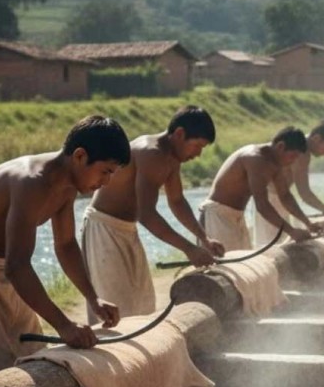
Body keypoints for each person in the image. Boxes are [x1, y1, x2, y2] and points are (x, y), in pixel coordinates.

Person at [0, 115, 131, 383]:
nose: (106, 182)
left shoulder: (68, 186)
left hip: (3, 268)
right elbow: (18, 266)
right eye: (106, 171)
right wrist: (63, 325)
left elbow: (66, 244)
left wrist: (93, 298)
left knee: (31, 355)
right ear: (81, 156)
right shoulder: (31, 181)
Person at [81, 105, 221, 321]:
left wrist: (204, 238)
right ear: (180, 134)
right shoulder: (151, 152)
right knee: (116, 307)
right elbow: (146, 214)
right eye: (196, 145)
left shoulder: (172, 159)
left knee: (142, 305)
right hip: (104, 228)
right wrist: (189, 249)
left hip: (127, 230)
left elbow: (177, 201)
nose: (198, 154)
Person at [200, 127, 314, 251]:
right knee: (224, 266)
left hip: (237, 217)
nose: (292, 161)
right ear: (280, 146)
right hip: (218, 216)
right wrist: (291, 231)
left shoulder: (276, 164)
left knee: (244, 265)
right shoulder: (255, 158)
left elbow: (285, 195)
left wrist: (308, 223)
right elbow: (262, 205)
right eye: (292, 156)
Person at [254, 121, 324, 246]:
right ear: (316, 138)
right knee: (274, 247)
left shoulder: (301, 147)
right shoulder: (302, 152)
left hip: (279, 199)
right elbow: (304, 193)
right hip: (272, 201)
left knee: (282, 243)